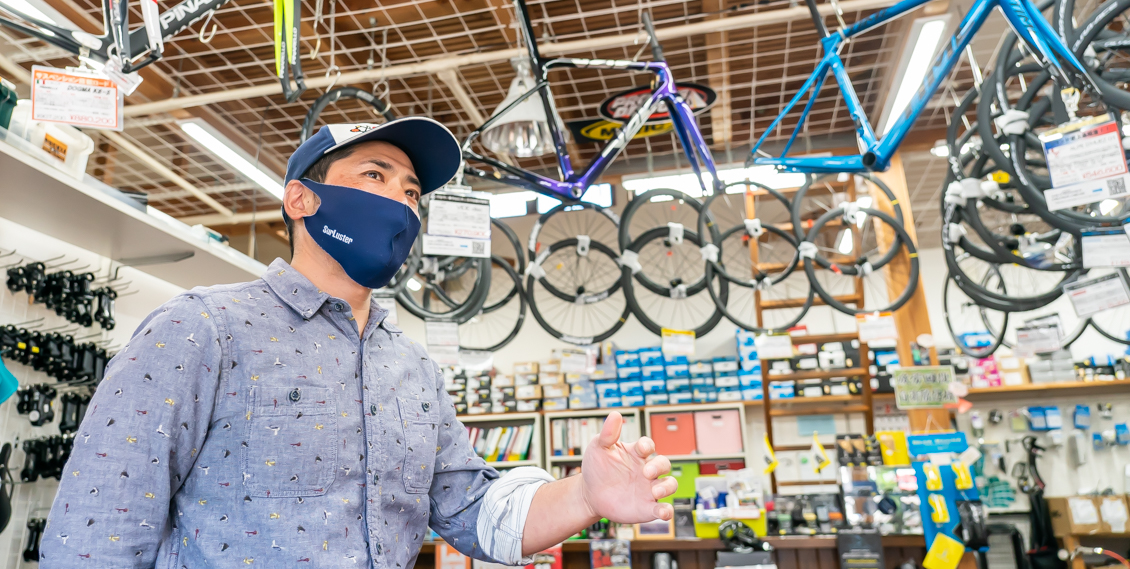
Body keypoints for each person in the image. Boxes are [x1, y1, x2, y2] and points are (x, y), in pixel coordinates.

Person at [40, 118, 677, 568]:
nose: (401, 203)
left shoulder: (413, 368)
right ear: (301, 199)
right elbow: (99, 526)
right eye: (375, 175)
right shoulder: (203, 328)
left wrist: (584, 495)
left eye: (411, 192)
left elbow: (469, 508)